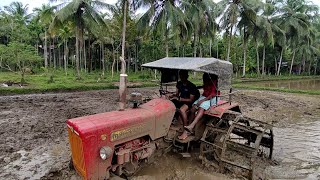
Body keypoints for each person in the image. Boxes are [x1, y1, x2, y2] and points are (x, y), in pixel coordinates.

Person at [178, 73, 219, 140]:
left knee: (201, 107)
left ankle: (192, 126)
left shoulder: (214, 82)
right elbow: (205, 87)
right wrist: (196, 88)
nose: (204, 78)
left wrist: (202, 100)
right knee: (193, 108)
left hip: (212, 98)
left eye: (204, 77)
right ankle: (189, 127)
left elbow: (212, 94)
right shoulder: (206, 80)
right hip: (205, 96)